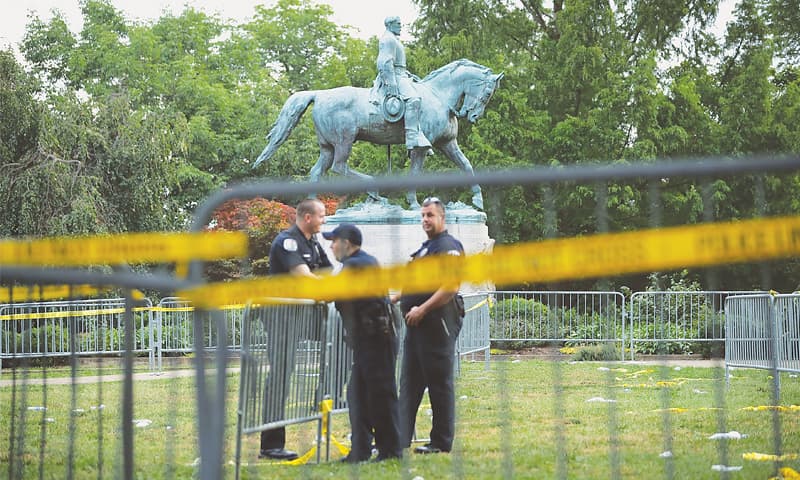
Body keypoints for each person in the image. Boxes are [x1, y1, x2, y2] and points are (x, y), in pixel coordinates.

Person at [260, 198, 332, 461]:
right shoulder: (287, 241)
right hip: (281, 315)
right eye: (322, 215)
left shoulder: (312, 242)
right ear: (308, 217)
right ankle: (271, 444)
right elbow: (303, 275)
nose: (324, 220)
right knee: (280, 374)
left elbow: (328, 272)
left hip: (304, 313)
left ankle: (325, 397)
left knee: (342, 340)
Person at [323, 223, 402, 463]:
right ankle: (361, 450)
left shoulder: (355, 265)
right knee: (358, 394)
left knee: (379, 395)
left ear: (346, 244)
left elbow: (329, 292)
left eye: (334, 241)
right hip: (372, 339)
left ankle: (390, 450)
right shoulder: (365, 261)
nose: (331, 245)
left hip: (375, 340)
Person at [392, 197, 464, 454]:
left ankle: (441, 442)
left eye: (430, 215)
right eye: (422, 215)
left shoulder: (448, 247)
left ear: (442, 217)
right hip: (417, 326)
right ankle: (397, 440)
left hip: (436, 324)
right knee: (409, 384)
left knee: (438, 384)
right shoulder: (426, 248)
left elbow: (450, 286)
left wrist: (422, 309)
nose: (425, 220)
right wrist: (397, 297)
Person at [375, 15, 431, 150]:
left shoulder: (394, 39)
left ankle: (421, 134)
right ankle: (412, 137)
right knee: (414, 100)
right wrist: (391, 83)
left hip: (402, 75)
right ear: (389, 25)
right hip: (395, 77)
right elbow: (385, 62)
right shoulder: (388, 39)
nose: (401, 26)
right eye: (398, 24)